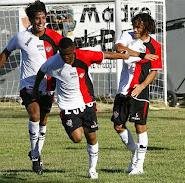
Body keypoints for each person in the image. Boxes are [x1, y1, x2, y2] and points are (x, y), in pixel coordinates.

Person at [0, 0, 63, 175]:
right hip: (29, 84)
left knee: (44, 121)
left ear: (46, 18)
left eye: (43, 18)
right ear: (30, 20)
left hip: (48, 84)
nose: (40, 22)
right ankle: (34, 155)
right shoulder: (21, 37)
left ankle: (37, 153)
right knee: (35, 114)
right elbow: (6, 51)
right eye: (36, 18)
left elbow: (69, 53)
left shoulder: (55, 37)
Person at [33, 37, 130, 179]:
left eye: (69, 54)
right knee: (77, 138)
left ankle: (92, 169)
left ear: (73, 49)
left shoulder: (84, 56)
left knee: (91, 137)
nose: (66, 57)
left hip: (87, 104)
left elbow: (106, 54)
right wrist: (36, 89)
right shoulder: (53, 62)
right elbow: (41, 72)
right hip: (67, 107)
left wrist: (124, 55)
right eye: (63, 54)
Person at [111, 13, 162, 175]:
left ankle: (139, 165)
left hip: (140, 91)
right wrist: (141, 55)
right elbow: (119, 48)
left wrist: (141, 86)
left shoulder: (155, 46)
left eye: (138, 27)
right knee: (118, 126)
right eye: (134, 26)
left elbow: (154, 71)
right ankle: (135, 152)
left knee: (140, 126)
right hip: (123, 90)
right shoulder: (127, 35)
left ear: (147, 27)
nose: (135, 29)